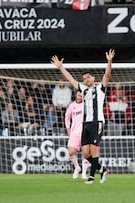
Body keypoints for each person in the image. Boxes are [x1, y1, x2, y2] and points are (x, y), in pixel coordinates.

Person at [51, 48, 115, 184]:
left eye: (88, 77)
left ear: (93, 78)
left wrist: (109, 62)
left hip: (97, 122)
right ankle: (102, 169)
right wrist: (61, 67)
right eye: (84, 78)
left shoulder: (100, 89)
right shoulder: (83, 90)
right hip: (85, 124)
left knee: (94, 150)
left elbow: (107, 75)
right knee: (86, 153)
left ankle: (91, 178)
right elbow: (70, 79)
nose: (86, 79)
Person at [65, 90, 90, 179]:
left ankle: (84, 173)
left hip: (85, 132)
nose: (80, 97)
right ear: (76, 95)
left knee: (85, 153)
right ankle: (77, 167)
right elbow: (67, 118)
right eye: (79, 95)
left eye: (81, 95)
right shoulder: (72, 106)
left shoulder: (87, 105)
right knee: (71, 152)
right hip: (74, 132)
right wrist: (68, 131)